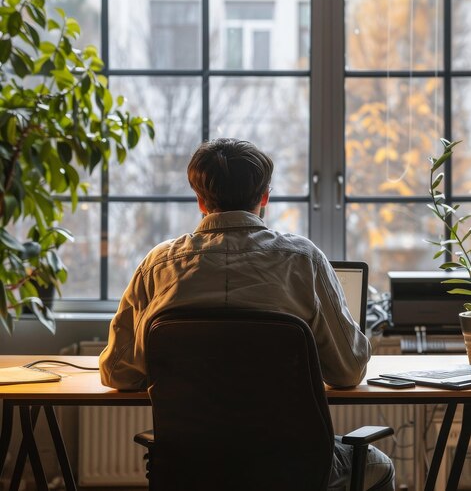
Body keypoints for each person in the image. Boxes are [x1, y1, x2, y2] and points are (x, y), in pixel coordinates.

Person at [99, 137, 394, 491]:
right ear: (264, 197)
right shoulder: (304, 261)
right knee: (379, 465)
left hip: (192, 468)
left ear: (200, 200)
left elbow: (117, 373)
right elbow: (348, 372)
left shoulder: (159, 265)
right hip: (293, 470)